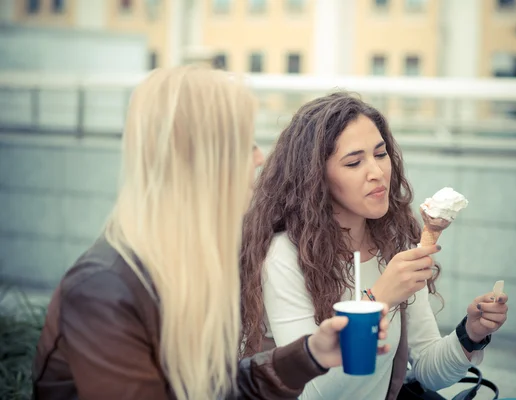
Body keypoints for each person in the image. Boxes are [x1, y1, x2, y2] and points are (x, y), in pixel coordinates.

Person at [31, 67, 392, 400]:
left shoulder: (188, 261)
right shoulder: (104, 288)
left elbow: (215, 391)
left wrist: (310, 354)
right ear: (202, 161)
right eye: (242, 144)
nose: (259, 157)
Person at [240, 92, 509, 399]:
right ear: (315, 178)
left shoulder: (394, 245)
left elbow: (428, 371)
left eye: (381, 155)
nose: (377, 173)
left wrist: (471, 334)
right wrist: (378, 299)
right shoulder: (283, 257)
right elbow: (310, 393)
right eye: (354, 162)